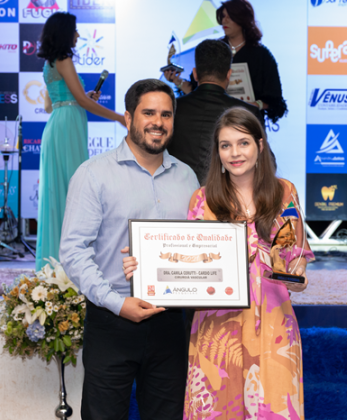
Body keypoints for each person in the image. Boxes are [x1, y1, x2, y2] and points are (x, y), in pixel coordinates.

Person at [124, 107, 313, 419]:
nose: (234, 153)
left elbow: (295, 255)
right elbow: (186, 262)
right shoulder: (203, 199)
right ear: (217, 152)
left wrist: (298, 272)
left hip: (274, 324)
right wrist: (144, 264)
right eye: (225, 145)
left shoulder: (284, 192)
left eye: (243, 143)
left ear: (260, 145)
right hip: (217, 330)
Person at [59, 79, 199, 420]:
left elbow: (197, 247)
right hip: (112, 320)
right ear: (128, 117)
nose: (158, 122)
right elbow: (74, 251)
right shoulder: (93, 174)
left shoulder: (187, 178)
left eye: (166, 114)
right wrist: (117, 303)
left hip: (170, 323)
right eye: (148, 113)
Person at [35, 12, 125, 272]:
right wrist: (119, 118)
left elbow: (50, 104)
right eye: (74, 30)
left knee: (60, 193)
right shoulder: (64, 59)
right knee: (73, 193)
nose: (77, 35)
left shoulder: (50, 63)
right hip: (67, 128)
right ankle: (70, 265)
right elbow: (82, 102)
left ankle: (56, 264)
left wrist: (79, 97)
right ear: (65, 33)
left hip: (59, 125)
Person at [166, 0, 287, 124]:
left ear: (242, 19)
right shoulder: (213, 50)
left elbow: (275, 100)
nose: (224, 21)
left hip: (248, 123)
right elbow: (197, 90)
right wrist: (176, 81)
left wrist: (255, 105)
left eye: (230, 17)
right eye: (223, 16)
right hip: (214, 122)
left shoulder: (262, 55)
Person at [168, 39, 263, 185]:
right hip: (224, 196)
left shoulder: (170, 108)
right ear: (229, 74)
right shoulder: (249, 112)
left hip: (175, 194)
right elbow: (267, 164)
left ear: (195, 74)